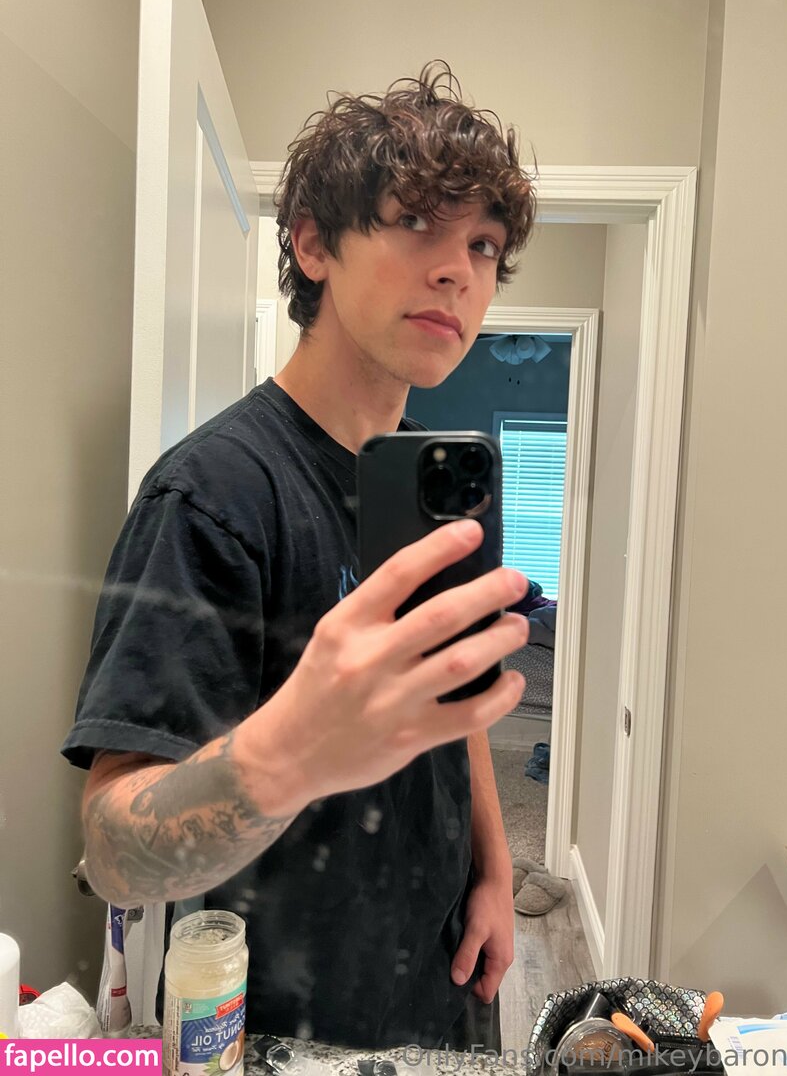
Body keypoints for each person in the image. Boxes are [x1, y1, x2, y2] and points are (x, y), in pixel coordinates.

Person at [61, 60, 537, 1051]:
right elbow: (113, 851)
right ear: (314, 243)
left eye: (485, 244)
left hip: (447, 989)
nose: (460, 270)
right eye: (419, 223)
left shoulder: (433, 487)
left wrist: (494, 873)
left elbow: (456, 698)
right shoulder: (213, 496)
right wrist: (292, 751)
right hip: (289, 1032)